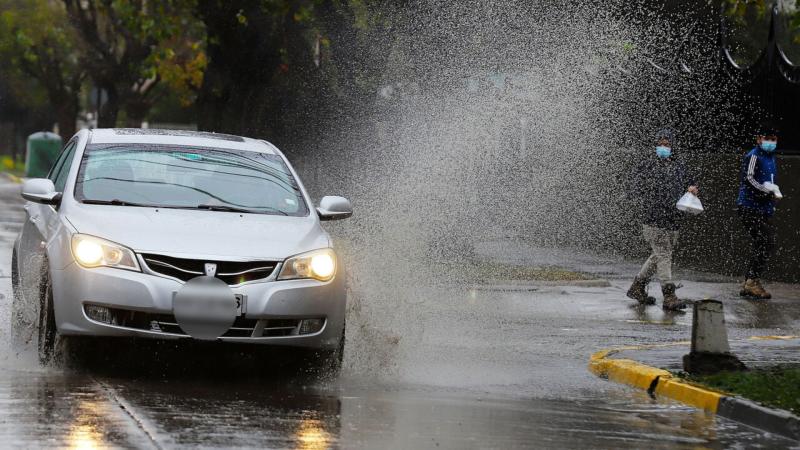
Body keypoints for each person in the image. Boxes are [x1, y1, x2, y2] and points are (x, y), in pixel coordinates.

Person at [627, 128, 699, 310]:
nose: (663, 147)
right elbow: (635, 188)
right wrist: (651, 194)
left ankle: (637, 286)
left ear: (673, 147)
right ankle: (669, 295)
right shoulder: (647, 166)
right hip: (654, 219)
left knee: (658, 256)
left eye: (667, 145)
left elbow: (691, 183)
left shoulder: (679, 166)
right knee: (664, 255)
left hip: (673, 220)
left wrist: (692, 189)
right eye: (660, 144)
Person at [737, 124, 780, 300]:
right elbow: (748, 179)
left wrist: (773, 195)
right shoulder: (753, 155)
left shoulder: (771, 158)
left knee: (762, 243)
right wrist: (765, 190)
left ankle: (750, 281)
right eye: (766, 138)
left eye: (773, 139)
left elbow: (769, 181)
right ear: (759, 139)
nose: (770, 142)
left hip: (763, 207)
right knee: (766, 241)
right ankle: (751, 281)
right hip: (749, 206)